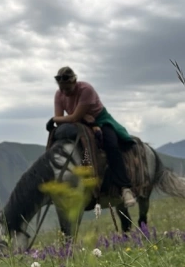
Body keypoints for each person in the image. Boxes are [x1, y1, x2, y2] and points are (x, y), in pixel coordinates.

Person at [47, 66, 137, 208]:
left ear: (74, 81)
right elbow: (63, 118)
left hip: (99, 120)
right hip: (80, 122)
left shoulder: (86, 90)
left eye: (68, 89)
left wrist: (57, 119)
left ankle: (125, 188)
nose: (65, 92)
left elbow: (69, 117)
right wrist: (61, 119)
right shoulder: (59, 94)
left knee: (111, 146)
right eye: (62, 88)